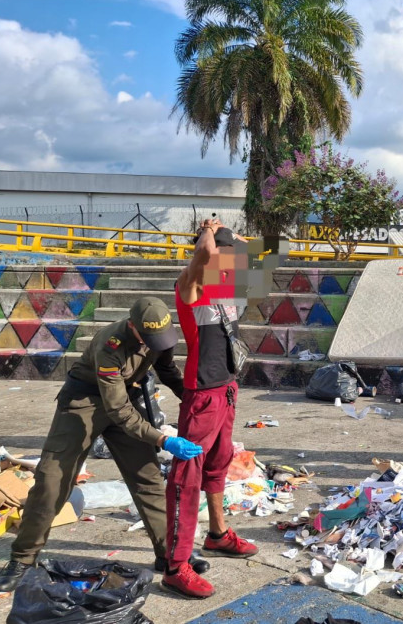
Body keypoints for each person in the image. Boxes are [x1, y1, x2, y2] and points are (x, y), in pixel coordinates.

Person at [0, 298, 207, 592]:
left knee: (148, 477)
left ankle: (170, 554)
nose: (156, 344)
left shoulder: (161, 336)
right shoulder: (111, 345)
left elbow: (167, 371)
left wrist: (194, 400)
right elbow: (117, 411)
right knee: (53, 481)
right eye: (149, 338)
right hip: (83, 403)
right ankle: (23, 559)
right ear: (133, 326)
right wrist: (163, 438)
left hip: (125, 398)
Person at [163, 218, 257, 599]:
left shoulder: (228, 286)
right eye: (224, 253)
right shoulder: (192, 285)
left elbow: (258, 255)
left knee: (218, 467)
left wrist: (234, 239)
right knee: (186, 479)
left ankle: (217, 535)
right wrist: (209, 230)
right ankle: (175, 566)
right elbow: (203, 254)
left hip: (227, 390)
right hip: (201, 395)